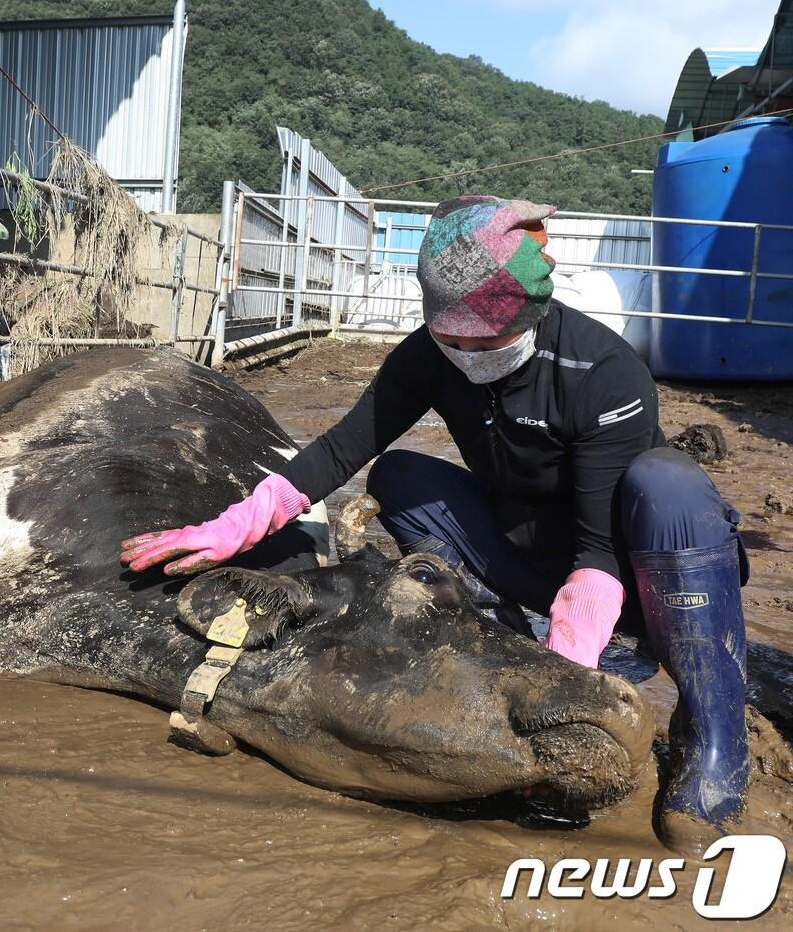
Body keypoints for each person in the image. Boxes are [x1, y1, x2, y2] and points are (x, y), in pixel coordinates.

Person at [120, 195, 749, 852]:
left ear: (526, 316)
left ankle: (714, 739)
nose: (461, 352)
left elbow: (596, 555)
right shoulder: (432, 354)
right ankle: (492, 637)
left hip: (629, 576)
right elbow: (341, 448)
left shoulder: (604, 374)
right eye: (448, 336)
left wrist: (562, 693)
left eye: (479, 340)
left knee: (669, 482)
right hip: (527, 556)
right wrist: (235, 524)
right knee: (397, 476)